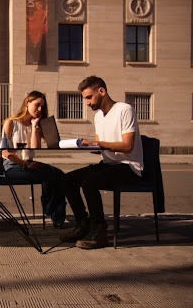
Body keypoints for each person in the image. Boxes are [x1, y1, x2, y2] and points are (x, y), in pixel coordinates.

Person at [60, 76, 143, 249]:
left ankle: (99, 231)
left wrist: (97, 144)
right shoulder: (98, 117)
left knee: (89, 182)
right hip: (108, 164)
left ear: (102, 91)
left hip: (128, 167)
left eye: (89, 97)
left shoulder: (124, 110)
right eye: (85, 99)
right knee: (67, 179)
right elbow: (101, 147)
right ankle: (83, 225)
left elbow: (127, 146)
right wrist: (83, 146)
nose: (87, 103)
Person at [1, 91, 66, 228]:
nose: (40, 109)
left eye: (42, 107)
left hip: (28, 164)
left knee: (59, 174)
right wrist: (24, 163)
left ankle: (54, 212)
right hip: (11, 166)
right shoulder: (10, 123)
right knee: (48, 174)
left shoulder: (34, 124)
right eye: (37, 105)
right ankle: (53, 212)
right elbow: (5, 153)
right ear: (27, 102)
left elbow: (35, 148)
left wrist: (35, 126)